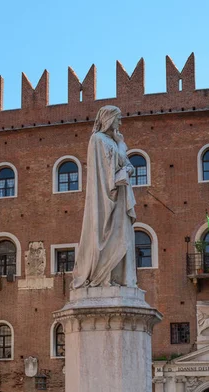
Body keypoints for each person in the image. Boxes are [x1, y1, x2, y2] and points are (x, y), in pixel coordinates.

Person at [72, 105, 137, 289]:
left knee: (123, 234)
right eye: (118, 119)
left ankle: (118, 277)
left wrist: (121, 145)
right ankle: (102, 276)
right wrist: (123, 165)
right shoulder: (97, 139)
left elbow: (125, 164)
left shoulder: (113, 142)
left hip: (119, 196)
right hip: (106, 197)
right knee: (106, 234)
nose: (120, 123)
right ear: (108, 119)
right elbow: (107, 171)